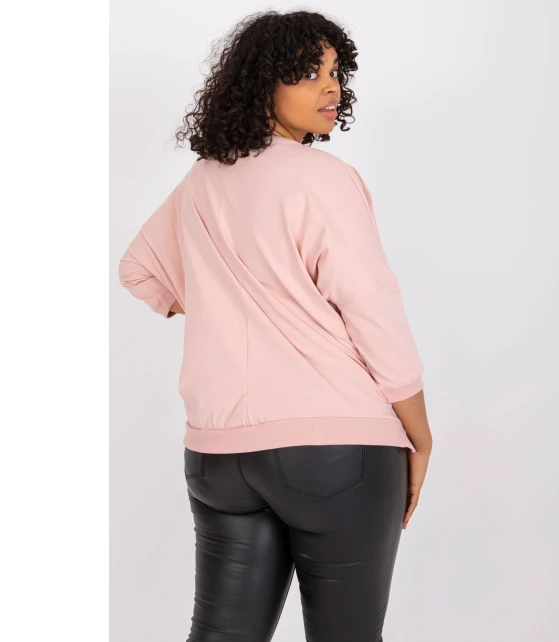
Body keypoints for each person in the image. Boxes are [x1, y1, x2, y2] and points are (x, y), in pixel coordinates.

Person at [118, 9, 433, 642]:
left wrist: (223, 303)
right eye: (309, 72)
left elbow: (138, 269)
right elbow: (371, 308)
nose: (331, 87)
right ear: (264, 82)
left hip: (219, 456)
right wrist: (420, 436)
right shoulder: (324, 179)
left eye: (336, 72)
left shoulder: (200, 183)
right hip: (336, 450)